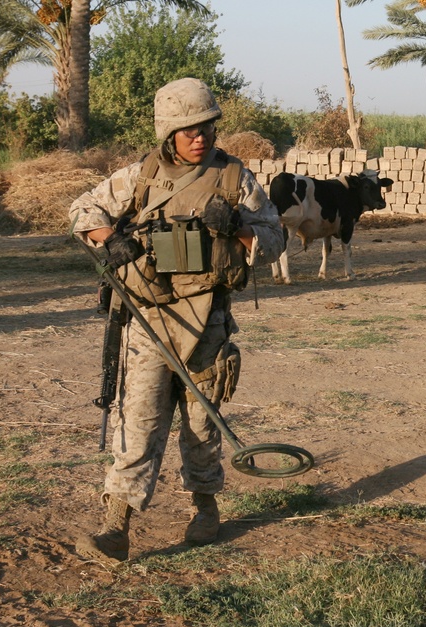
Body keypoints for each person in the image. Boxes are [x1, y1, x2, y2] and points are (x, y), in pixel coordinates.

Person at [70, 78, 284, 564]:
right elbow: (82, 209)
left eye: (206, 127)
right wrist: (110, 239)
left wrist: (240, 227)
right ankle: (115, 527)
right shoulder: (139, 176)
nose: (199, 137)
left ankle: (205, 509)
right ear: (168, 132)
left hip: (206, 319)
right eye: (189, 129)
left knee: (201, 423)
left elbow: (275, 241)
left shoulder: (235, 179)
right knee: (138, 420)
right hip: (146, 320)